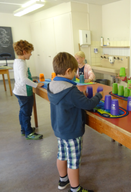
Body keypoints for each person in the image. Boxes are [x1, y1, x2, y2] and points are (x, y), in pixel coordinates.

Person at [47, 52, 102, 192]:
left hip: (60, 129)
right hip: (72, 131)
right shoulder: (71, 91)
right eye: (74, 72)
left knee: (61, 155)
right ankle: (75, 188)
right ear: (68, 71)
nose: (76, 75)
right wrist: (98, 96)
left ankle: (63, 179)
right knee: (73, 161)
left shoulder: (52, 85)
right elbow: (88, 104)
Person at [13, 40, 44, 140]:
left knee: (22, 112)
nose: (31, 54)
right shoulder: (21, 63)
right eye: (30, 52)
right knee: (26, 113)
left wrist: (31, 79)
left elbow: (21, 77)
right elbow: (23, 79)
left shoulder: (17, 61)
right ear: (24, 51)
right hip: (24, 92)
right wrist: (35, 84)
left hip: (18, 91)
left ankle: (24, 129)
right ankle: (28, 133)